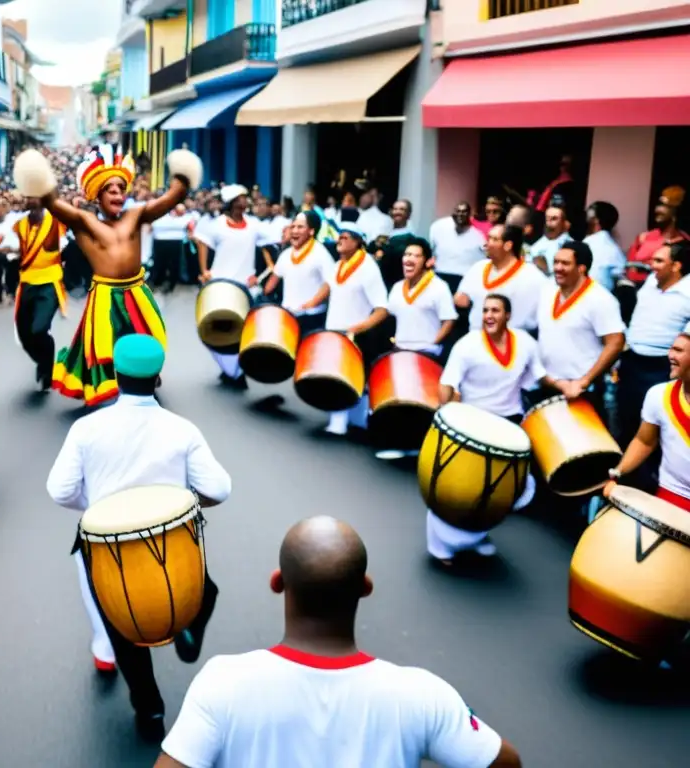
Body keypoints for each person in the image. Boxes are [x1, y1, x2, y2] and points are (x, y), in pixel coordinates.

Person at [155, 516, 522, 768]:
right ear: (365, 588)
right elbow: (505, 762)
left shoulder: (222, 682)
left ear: (278, 582)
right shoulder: (422, 695)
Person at [46, 335, 231, 742]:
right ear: (158, 377)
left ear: (114, 375)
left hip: (105, 548)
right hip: (171, 542)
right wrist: (184, 501)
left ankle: (150, 711)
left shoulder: (87, 428)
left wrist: (94, 506)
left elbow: (59, 490)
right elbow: (219, 488)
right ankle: (189, 632)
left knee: (122, 631)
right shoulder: (181, 428)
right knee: (207, 590)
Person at [13, 144, 202, 406]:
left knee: (146, 340)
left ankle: (145, 379)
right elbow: (52, 202)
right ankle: (108, 387)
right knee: (103, 349)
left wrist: (182, 177)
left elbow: (173, 197)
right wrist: (39, 178)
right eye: (110, 189)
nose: (117, 193)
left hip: (137, 292)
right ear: (97, 196)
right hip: (104, 295)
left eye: (121, 188)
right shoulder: (85, 222)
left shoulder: (136, 215)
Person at [433, 294, 561, 564]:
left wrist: (569, 386)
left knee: (495, 492)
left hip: (507, 423)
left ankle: (477, 536)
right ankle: (440, 544)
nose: (489, 315)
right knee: (458, 486)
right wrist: (447, 411)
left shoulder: (525, 342)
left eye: (495, 310)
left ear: (508, 316)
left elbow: (540, 376)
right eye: (485, 310)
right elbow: (447, 383)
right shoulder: (467, 345)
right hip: (472, 422)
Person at [196, 184, 274, 389]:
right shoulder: (217, 224)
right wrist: (204, 270)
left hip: (243, 287)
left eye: (245, 197)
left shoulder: (254, 224)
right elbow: (202, 242)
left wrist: (260, 274)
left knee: (241, 331)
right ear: (232, 202)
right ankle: (229, 368)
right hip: (219, 285)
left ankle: (235, 371)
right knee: (213, 329)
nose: (246, 200)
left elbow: (272, 242)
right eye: (241, 197)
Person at [533, 242, 625, 415]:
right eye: (556, 262)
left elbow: (616, 343)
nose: (558, 268)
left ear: (581, 268)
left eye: (565, 263)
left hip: (580, 392)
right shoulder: (547, 291)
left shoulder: (601, 299)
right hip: (549, 385)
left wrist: (584, 381)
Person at [605, 326, 690, 511]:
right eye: (671, 348)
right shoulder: (658, 395)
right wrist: (618, 473)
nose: (670, 355)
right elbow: (644, 441)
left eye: (678, 350)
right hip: (669, 498)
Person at [618, 241, 690, 448]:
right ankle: (625, 474)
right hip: (632, 362)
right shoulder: (651, 282)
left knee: (656, 425)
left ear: (676, 266)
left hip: (661, 367)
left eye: (659, 261)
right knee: (627, 420)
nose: (652, 265)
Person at [321, 223, 388, 436]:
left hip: (357, 334)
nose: (340, 239)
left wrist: (358, 328)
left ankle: (344, 421)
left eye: (346, 236)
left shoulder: (368, 268)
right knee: (336, 376)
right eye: (339, 236)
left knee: (348, 378)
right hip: (335, 330)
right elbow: (328, 288)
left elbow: (381, 309)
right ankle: (351, 420)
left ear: (358, 242)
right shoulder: (337, 265)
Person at [12, 197, 69, 390]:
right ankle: (43, 361)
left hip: (49, 283)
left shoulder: (57, 222)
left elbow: (67, 243)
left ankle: (47, 367)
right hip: (27, 283)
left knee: (39, 329)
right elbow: (8, 246)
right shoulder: (18, 225)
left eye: (35, 196)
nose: (30, 200)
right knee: (24, 334)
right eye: (28, 197)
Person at [455, 225, 547, 337]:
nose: (486, 244)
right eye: (488, 238)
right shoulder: (479, 267)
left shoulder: (532, 276)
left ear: (508, 245)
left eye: (494, 239)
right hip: (477, 339)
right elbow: (460, 300)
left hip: (513, 342)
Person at [263, 210, 336, 336]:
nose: (294, 231)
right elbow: (271, 284)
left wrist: (312, 303)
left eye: (300, 227)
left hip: (312, 317)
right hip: (288, 316)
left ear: (311, 231)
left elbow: (331, 282)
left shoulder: (321, 253)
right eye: (293, 227)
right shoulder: (285, 254)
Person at [386, 236, 457, 361]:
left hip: (427, 353)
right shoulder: (397, 287)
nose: (409, 259)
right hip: (399, 350)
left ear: (428, 262)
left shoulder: (439, 287)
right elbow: (390, 317)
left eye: (416, 256)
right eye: (407, 255)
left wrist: (431, 343)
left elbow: (449, 321)